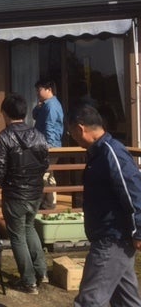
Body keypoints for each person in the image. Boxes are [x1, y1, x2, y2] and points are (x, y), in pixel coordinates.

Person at [68, 104, 141, 307]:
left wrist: (139, 230)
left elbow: (133, 191)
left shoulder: (112, 152)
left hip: (113, 239)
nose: (72, 137)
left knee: (89, 301)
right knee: (126, 301)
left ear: (80, 128)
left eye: (71, 132)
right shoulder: (99, 152)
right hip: (113, 238)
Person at [0, 93, 49, 295]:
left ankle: (29, 281)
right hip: (35, 191)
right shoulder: (39, 135)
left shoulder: (4, 136)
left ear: (5, 113)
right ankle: (42, 272)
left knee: (17, 236)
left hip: (15, 193)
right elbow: (45, 163)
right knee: (29, 228)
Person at [32, 79, 64, 147]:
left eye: (39, 90)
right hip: (42, 143)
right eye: (36, 91)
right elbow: (34, 116)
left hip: (49, 144)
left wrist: (50, 145)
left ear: (49, 89)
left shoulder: (51, 105)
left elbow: (50, 125)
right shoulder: (45, 104)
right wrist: (38, 107)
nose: (37, 93)